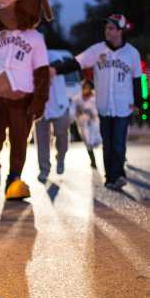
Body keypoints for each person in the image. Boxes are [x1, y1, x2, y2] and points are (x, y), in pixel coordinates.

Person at [50, 14, 141, 190]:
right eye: (106, 28)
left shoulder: (132, 53)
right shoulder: (97, 50)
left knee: (119, 143)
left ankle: (119, 175)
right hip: (104, 106)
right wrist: (56, 69)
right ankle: (110, 178)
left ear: (120, 31)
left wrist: (139, 102)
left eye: (111, 28)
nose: (107, 31)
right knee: (108, 143)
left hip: (124, 106)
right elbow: (76, 62)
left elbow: (138, 80)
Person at [35, 50, 70, 183]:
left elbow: (60, 67)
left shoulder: (54, 57)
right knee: (42, 140)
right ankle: (44, 170)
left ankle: (60, 157)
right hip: (41, 108)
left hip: (60, 106)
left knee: (62, 136)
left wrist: (51, 70)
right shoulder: (31, 60)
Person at [71, 79, 101, 169]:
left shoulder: (96, 97)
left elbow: (99, 109)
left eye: (88, 88)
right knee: (87, 142)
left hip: (94, 123)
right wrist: (77, 112)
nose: (86, 89)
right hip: (83, 124)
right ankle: (93, 160)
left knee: (96, 141)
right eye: (85, 87)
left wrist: (93, 113)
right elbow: (73, 110)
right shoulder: (78, 98)